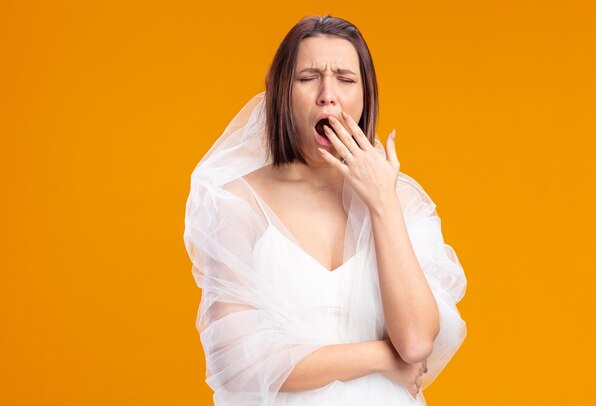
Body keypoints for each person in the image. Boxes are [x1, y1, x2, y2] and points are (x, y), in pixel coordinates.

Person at [184, 14, 467, 406]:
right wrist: (382, 357)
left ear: (366, 95)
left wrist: (382, 202)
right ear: (280, 91)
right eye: (307, 78)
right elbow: (234, 360)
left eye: (346, 80)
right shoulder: (237, 202)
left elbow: (417, 340)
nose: (327, 95)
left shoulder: (401, 201)